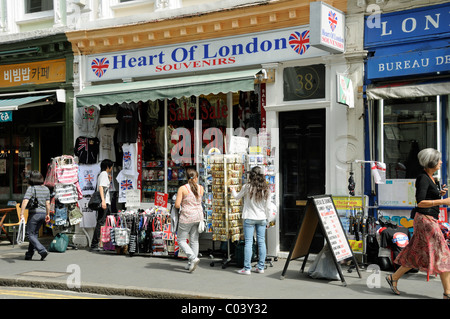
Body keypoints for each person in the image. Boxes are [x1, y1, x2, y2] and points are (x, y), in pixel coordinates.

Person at [386, 148, 450, 298]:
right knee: (443, 253)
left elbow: (427, 195)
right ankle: (447, 293)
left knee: (415, 253)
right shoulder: (423, 178)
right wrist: (443, 201)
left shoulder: (431, 178)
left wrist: (439, 193)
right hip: (425, 220)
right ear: (431, 162)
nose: (441, 162)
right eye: (438, 160)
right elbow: (420, 202)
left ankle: (393, 278)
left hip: (428, 219)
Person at [230, 166, 270, 275]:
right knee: (261, 242)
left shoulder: (247, 187)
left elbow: (237, 197)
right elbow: (268, 207)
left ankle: (247, 268)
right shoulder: (266, 188)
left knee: (248, 242)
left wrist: (233, 191)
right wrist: (268, 219)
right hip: (262, 217)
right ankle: (260, 267)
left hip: (249, 217)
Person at [174, 168, 204, 272]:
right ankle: (191, 264)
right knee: (194, 240)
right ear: (196, 178)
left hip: (186, 217)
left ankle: (192, 258)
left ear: (187, 177)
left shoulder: (183, 188)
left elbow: (177, 205)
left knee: (181, 240)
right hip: (198, 216)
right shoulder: (201, 188)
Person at [21, 170, 51, 261]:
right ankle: (29, 254)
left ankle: (42, 250)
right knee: (34, 234)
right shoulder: (46, 189)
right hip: (42, 214)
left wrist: (21, 213)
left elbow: (25, 201)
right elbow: (48, 203)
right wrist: (48, 214)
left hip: (34, 214)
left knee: (30, 234)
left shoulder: (31, 188)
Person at [90, 159, 114, 252]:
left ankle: (103, 243)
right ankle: (94, 244)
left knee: (104, 222)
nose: (111, 168)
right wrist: (103, 201)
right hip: (104, 202)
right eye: (111, 166)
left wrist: (109, 180)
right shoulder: (104, 174)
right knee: (100, 223)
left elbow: (104, 187)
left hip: (106, 202)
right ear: (108, 167)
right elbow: (100, 187)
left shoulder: (103, 175)